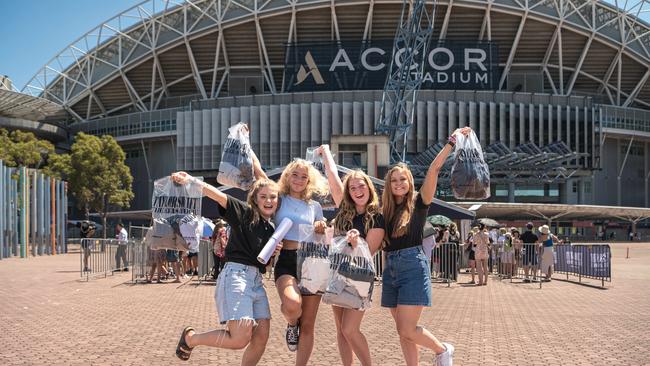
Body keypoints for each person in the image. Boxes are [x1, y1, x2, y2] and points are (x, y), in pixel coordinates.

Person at [380, 127, 470, 366]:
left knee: (407, 328)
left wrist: (451, 142)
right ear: (389, 185)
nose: (398, 184)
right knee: (403, 331)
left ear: (409, 182)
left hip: (412, 267)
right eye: (394, 180)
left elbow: (434, 169)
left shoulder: (420, 203)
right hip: (390, 269)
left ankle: (442, 350)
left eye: (403, 179)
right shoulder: (385, 210)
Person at [172, 171, 283, 364]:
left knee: (262, 336)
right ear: (255, 199)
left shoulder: (272, 229)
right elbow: (217, 194)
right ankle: (191, 338)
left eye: (272, 197)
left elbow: (263, 263)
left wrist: (273, 253)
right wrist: (190, 180)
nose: (268, 200)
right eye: (263, 196)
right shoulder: (245, 212)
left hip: (257, 281)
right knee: (240, 339)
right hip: (236, 277)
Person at [252, 154, 329, 365]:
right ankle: (291, 323)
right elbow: (260, 176)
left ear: (309, 180)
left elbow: (322, 228)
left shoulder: (314, 206)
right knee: (293, 305)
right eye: (294, 174)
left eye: (303, 176)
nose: (298, 179)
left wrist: (321, 226)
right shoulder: (279, 198)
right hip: (286, 259)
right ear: (287, 176)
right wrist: (246, 147)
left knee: (309, 325)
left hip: (311, 262)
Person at [317, 144, 385, 366]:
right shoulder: (344, 210)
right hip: (337, 275)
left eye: (361, 186)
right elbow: (333, 177)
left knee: (350, 328)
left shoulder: (376, 217)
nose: (357, 190)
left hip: (359, 279)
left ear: (369, 188)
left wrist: (356, 243)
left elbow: (369, 252)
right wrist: (326, 152)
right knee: (341, 330)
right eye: (353, 187)